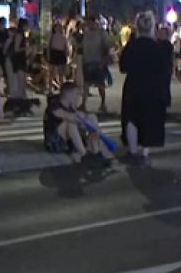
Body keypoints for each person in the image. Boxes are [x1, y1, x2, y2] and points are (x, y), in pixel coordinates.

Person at [119, 12, 170, 165]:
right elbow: (164, 69)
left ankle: (132, 151)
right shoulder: (158, 47)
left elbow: (123, 66)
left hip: (134, 85)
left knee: (131, 118)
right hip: (153, 88)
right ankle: (145, 154)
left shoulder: (132, 45)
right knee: (148, 119)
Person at [44, 82, 114, 166]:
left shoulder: (70, 106)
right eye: (76, 94)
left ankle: (97, 152)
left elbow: (81, 116)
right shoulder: (54, 104)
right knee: (71, 124)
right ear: (69, 94)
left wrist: (94, 127)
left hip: (68, 140)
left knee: (92, 117)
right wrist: (87, 125)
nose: (78, 97)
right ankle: (85, 155)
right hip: (55, 142)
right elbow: (67, 116)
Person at [81, 15, 112, 113]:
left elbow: (107, 46)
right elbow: (82, 47)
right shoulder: (85, 34)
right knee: (86, 84)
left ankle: (103, 103)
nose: (90, 25)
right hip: (87, 61)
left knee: (100, 84)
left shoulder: (101, 33)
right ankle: (83, 104)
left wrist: (104, 60)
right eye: (88, 23)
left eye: (91, 22)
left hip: (98, 62)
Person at [47, 22, 69, 92]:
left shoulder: (63, 36)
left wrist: (67, 53)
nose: (58, 28)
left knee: (61, 73)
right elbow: (49, 46)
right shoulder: (52, 36)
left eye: (60, 27)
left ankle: (61, 88)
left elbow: (65, 46)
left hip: (61, 53)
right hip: (54, 53)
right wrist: (48, 54)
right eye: (57, 27)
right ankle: (50, 88)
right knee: (52, 72)